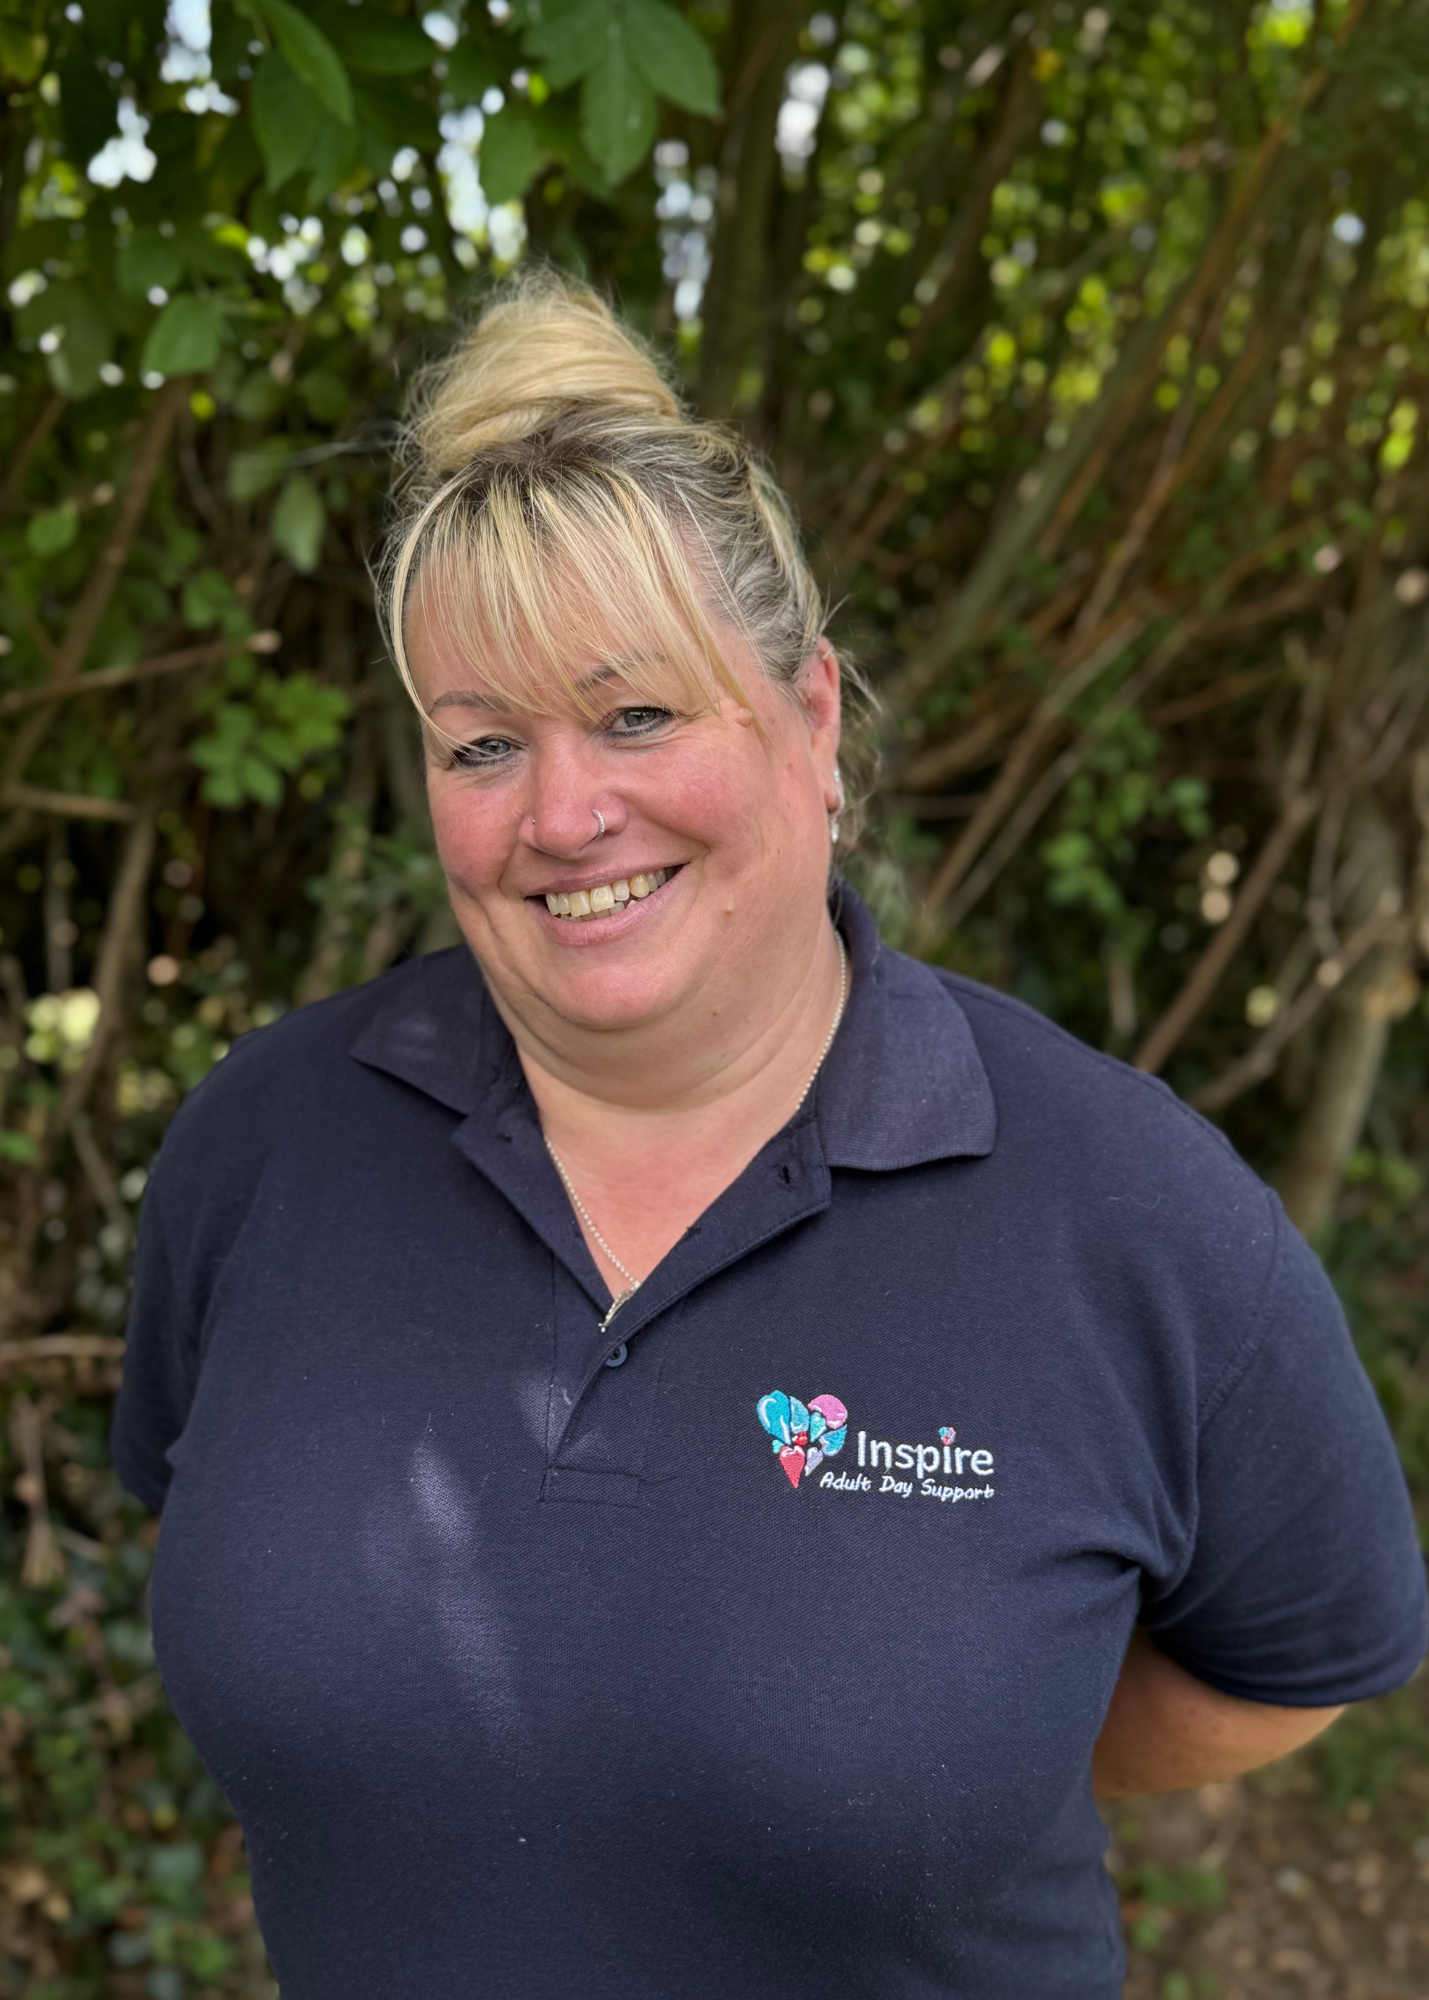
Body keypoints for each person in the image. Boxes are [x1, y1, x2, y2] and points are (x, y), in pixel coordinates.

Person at [113, 276, 1427, 2000]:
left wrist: (964, 1725)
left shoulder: (1134, 1213)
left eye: (639, 714)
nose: (564, 814)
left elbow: (1292, 1662)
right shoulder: (264, 1148)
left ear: (812, 718)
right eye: (483, 744)